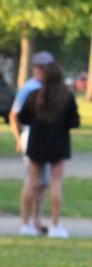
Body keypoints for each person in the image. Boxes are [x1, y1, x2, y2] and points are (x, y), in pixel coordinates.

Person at [17, 61, 80, 238]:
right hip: (58, 143)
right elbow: (74, 122)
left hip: (37, 142)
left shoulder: (34, 95)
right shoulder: (67, 97)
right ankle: (55, 225)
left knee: (31, 182)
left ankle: (25, 224)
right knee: (56, 183)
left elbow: (23, 117)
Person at [9, 51, 55, 235]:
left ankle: (37, 219)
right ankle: (25, 222)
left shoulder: (52, 88)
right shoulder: (29, 88)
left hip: (47, 138)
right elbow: (15, 115)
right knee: (32, 181)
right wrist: (19, 138)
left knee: (42, 183)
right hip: (31, 137)